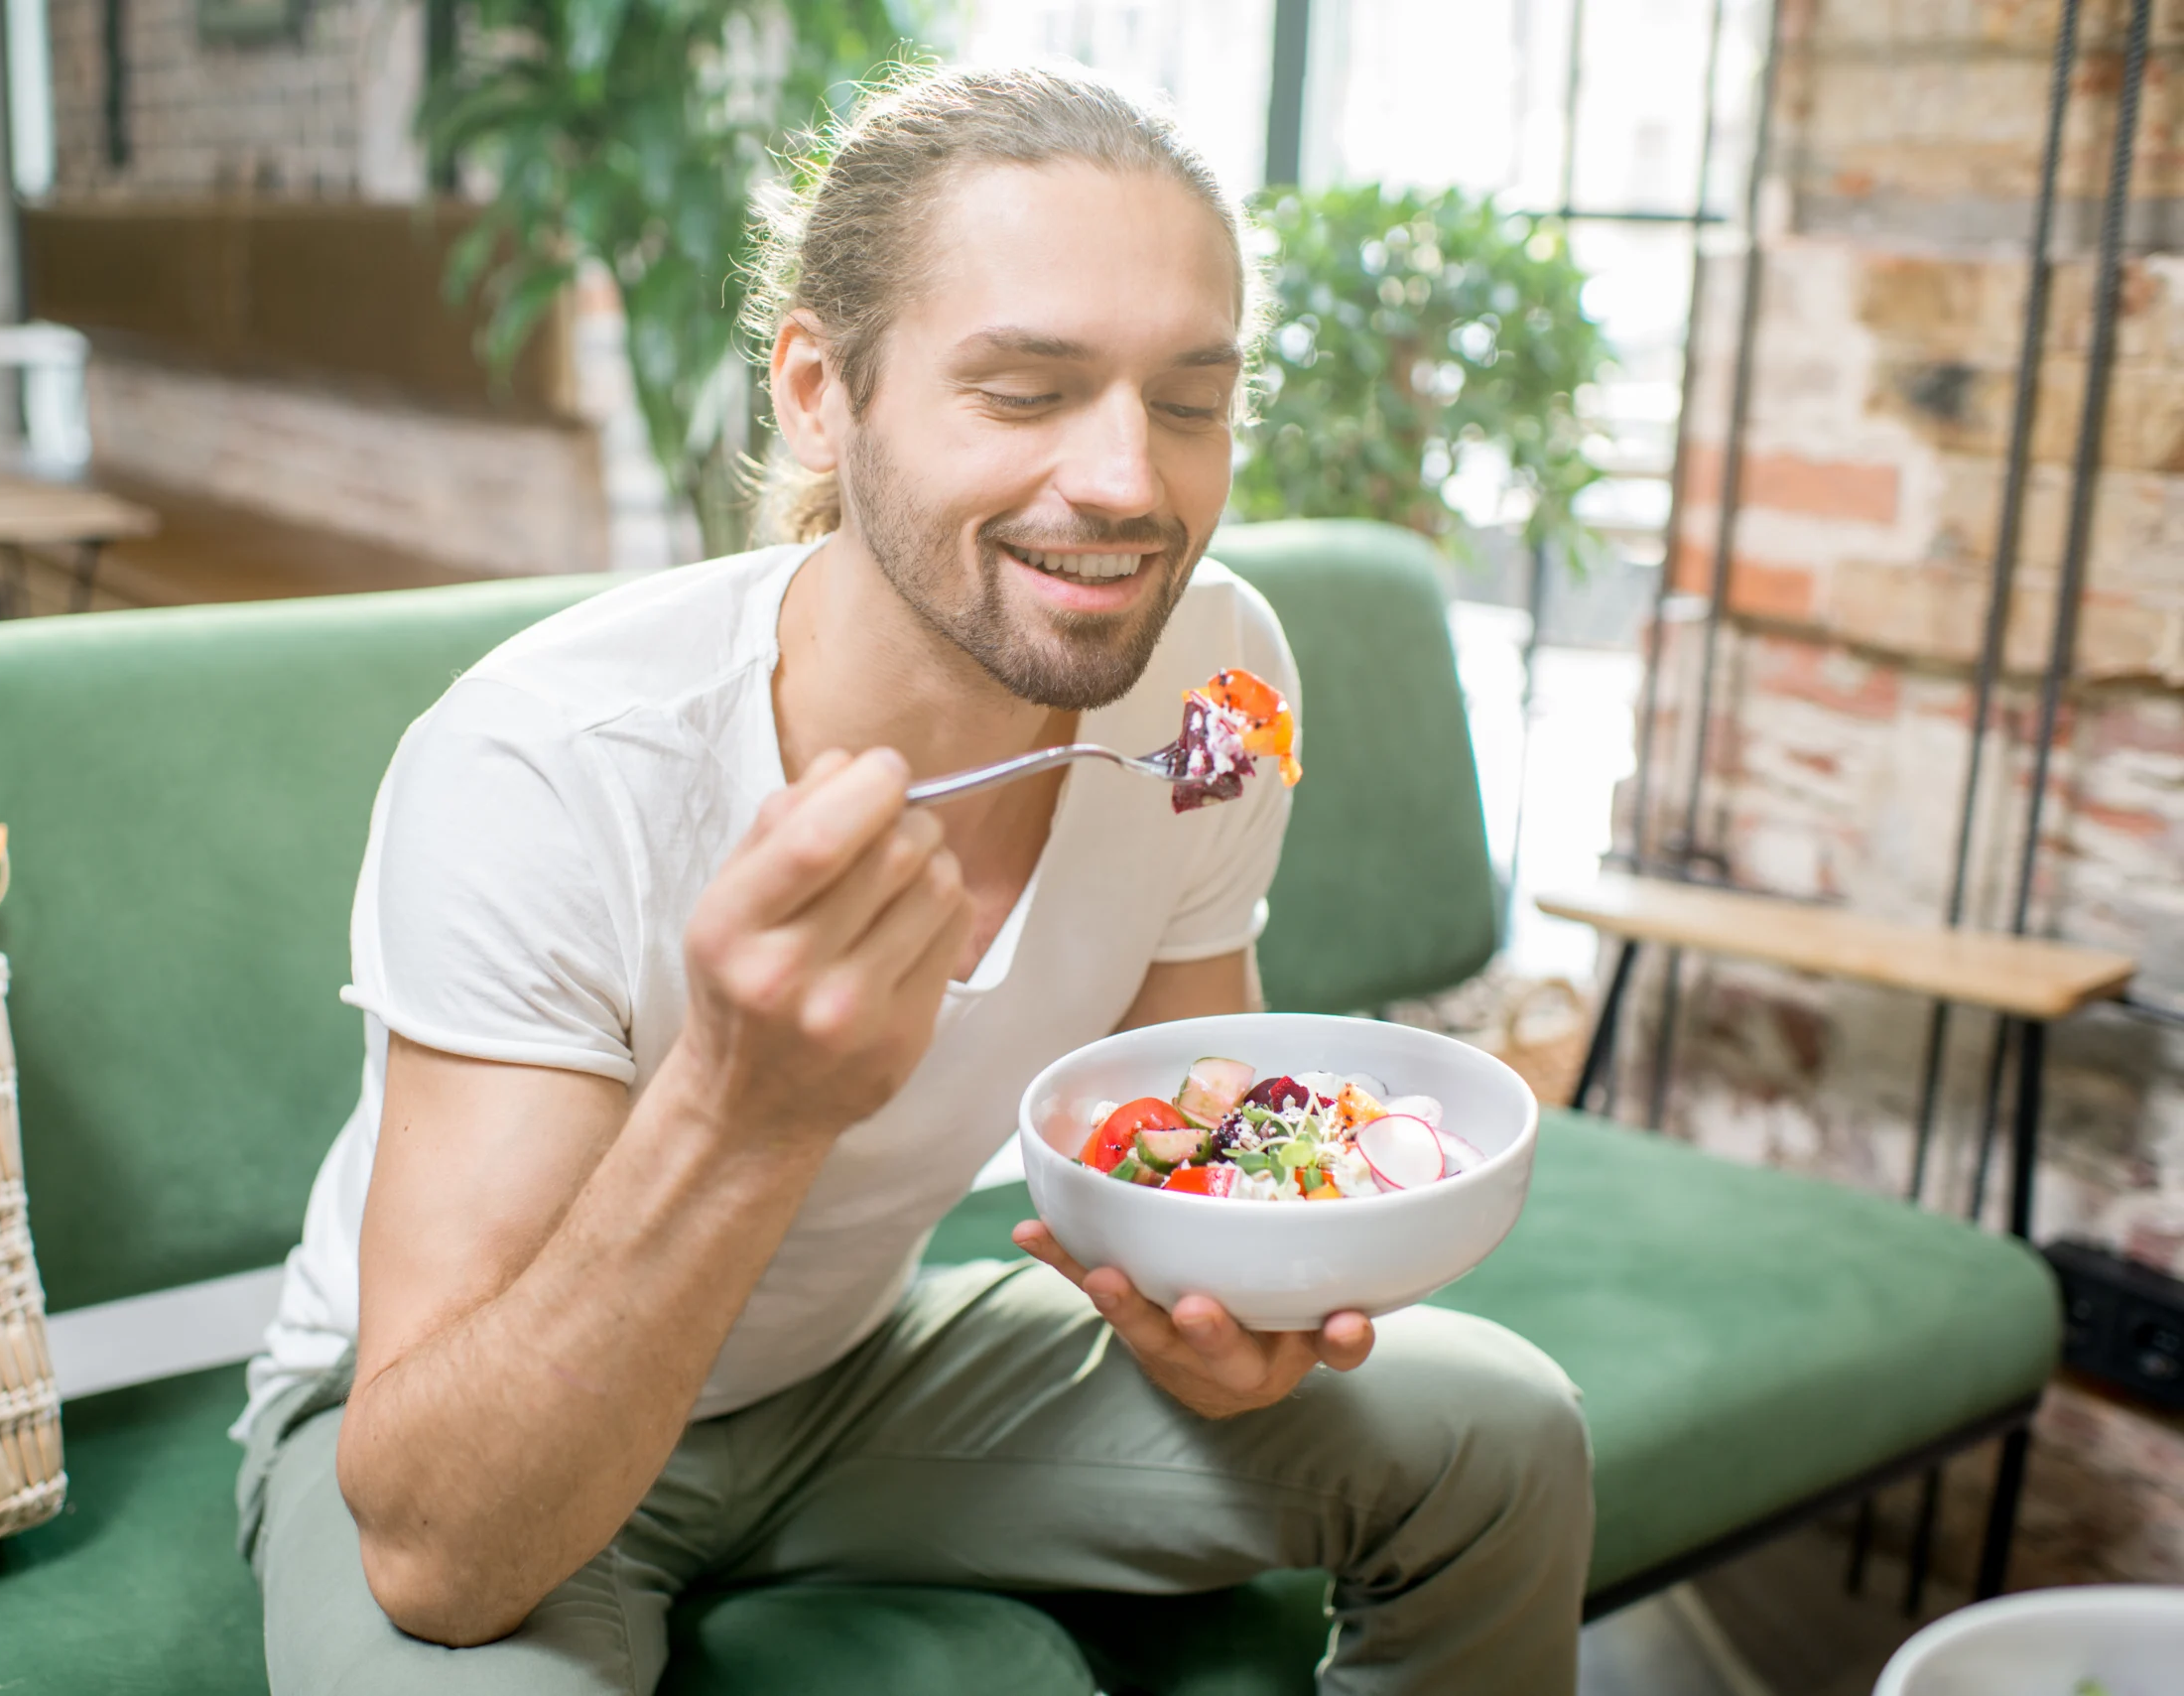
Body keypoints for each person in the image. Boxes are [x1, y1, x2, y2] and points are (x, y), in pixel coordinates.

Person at [233, 62, 1592, 1696]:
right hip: (481, 1425)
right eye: (1025, 391)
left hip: (851, 1369)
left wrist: (1232, 1309)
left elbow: (1188, 1118)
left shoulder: (1215, 677)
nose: (1130, 483)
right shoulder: (550, 761)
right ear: (819, 388)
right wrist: (746, 1106)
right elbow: (442, 1557)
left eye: (1189, 399)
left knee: (1501, 1434)